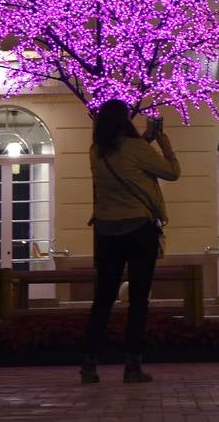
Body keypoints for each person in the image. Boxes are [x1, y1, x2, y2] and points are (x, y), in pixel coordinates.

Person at [80, 99, 179, 385]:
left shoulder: (96, 152)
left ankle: (89, 363)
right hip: (138, 230)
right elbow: (172, 172)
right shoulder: (136, 149)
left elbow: (125, 162)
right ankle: (132, 365)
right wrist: (163, 144)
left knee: (103, 300)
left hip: (106, 232)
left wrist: (144, 140)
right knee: (138, 299)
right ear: (125, 121)